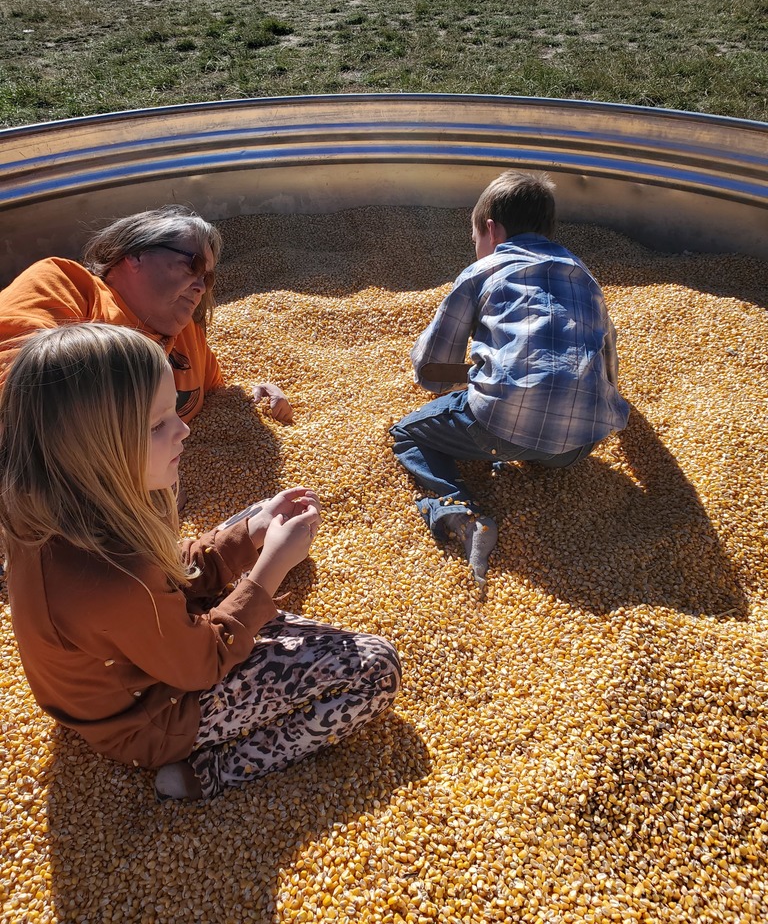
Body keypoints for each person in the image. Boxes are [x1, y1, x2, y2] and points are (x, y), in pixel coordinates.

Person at [0, 322, 401, 800]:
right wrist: (268, 568)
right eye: (158, 424)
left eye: (174, 412)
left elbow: (168, 570)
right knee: (377, 666)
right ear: (92, 449)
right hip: (150, 719)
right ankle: (209, 773)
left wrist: (248, 533)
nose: (184, 429)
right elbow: (201, 665)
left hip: (125, 666)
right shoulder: (114, 577)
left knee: (254, 519)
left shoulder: (63, 509)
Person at [390, 170, 630, 583]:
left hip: (498, 428)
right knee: (540, 426)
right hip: (578, 444)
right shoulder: (583, 274)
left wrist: (474, 374)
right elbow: (609, 361)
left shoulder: (484, 270)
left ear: (490, 230)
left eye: (475, 241)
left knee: (406, 434)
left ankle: (461, 510)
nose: (478, 249)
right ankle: (528, 455)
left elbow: (430, 371)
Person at [0, 206, 293, 424]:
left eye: (209, 278)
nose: (202, 287)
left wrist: (251, 401)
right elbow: (19, 396)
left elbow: (213, 398)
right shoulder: (65, 285)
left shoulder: (185, 333)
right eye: (192, 265)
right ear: (135, 255)